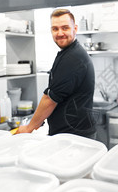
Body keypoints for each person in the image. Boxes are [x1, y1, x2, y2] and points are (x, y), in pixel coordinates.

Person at [16, 9, 96, 138]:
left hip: (73, 136)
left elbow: (50, 99)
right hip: (72, 133)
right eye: (55, 29)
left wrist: (29, 128)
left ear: (75, 28)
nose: (60, 33)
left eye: (65, 28)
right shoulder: (68, 53)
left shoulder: (73, 58)